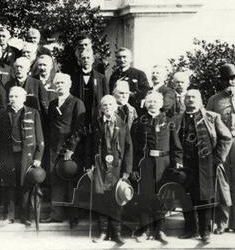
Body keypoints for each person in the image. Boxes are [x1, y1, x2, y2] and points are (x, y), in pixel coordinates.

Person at [177, 89, 232, 244]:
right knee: (186, 197)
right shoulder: (177, 119)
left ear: (200, 99)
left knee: (205, 197)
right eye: (187, 97)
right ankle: (189, 229)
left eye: (194, 97)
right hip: (184, 165)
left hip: (205, 165)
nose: (190, 100)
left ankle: (205, 232)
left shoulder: (212, 117)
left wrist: (217, 158)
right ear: (184, 100)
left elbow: (226, 138)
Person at [132, 91, 183, 243]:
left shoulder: (169, 121)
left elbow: (176, 146)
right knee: (145, 197)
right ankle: (144, 230)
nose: (152, 103)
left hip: (164, 164)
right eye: (150, 101)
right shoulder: (138, 122)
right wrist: (134, 167)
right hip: (145, 163)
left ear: (161, 104)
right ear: (145, 103)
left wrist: (177, 163)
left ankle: (160, 230)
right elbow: (133, 147)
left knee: (162, 198)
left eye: (155, 101)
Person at [0, 86, 44, 226]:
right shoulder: (3, 113)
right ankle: (8, 216)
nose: (13, 99)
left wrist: (38, 157)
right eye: (11, 96)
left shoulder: (33, 113)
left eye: (16, 96)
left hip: (26, 155)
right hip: (8, 155)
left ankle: (25, 216)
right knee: (8, 185)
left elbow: (39, 137)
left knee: (25, 185)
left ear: (23, 98)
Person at [88, 95, 132, 244]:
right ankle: (103, 232)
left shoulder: (122, 124)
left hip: (117, 167)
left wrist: (127, 169)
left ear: (116, 107)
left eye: (110, 105)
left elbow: (128, 148)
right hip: (100, 166)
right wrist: (89, 165)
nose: (107, 108)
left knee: (117, 198)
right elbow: (89, 145)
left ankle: (117, 233)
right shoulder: (96, 124)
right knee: (101, 198)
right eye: (104, 105)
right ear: (101, 108)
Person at [43, 73, 85, 226]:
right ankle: (56, 214)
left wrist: (71, 149)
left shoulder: (76, 103)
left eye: (62, 82)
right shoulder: (53, 103)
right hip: (54, 148)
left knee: (70, 181)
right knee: (56, 181)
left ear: (69, 84)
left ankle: (74, 216)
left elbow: (80, 128)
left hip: (70, 150)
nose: (59, 85)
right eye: (57, 83)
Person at [206, 63, 235, 233]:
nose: (231, 82)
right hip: (222, 145)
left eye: (233, 79)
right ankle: (222, 222)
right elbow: (208, 125)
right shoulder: (214, 100)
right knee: (222, 184)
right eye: (227, 79)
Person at [71, 50, 109, 128]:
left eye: (88, 58)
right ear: (80, 61)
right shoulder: (74, 77)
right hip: (79, 114)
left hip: (96, 115)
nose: (86, 60)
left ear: (92, 60)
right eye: (83, 58)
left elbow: (106, 97)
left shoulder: (101, 78)